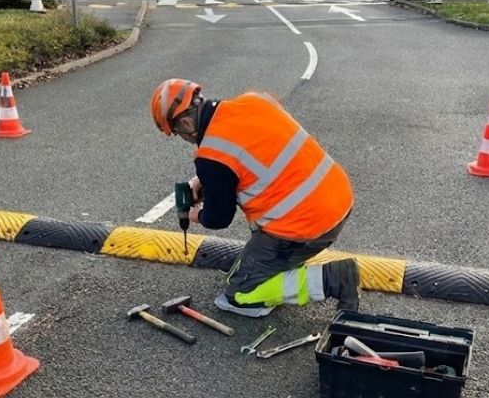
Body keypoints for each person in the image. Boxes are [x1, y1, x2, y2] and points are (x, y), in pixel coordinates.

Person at [149, 78, 360, 318]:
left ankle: (333, 279)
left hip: (305, 226)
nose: (181, 137)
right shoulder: (253, 100)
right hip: (337, 197)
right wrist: (207, 180)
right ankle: (284, 265)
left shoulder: (211, 156)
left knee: (239, 295)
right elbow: (255, 150)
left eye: (176, 132)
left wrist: (196, 215)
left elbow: (219, 218)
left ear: (185, 123)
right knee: (253, 262)